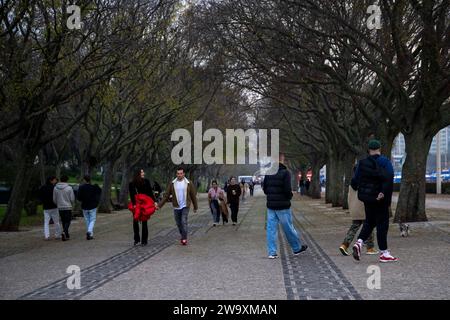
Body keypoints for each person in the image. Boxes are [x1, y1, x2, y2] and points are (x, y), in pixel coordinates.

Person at [351, 140, 398, 263]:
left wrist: (362, 189)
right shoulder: (385, 162)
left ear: (369, 150)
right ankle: (384, 253)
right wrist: (383, 192)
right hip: (381, 199)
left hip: (367, 199)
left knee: (369, 222)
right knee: (382, 224)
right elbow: (390, 177)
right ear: (379, 148)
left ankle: (359, 242)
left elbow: (354, 181)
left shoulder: (362, 163)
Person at [262, 153, 308, 259]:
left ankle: (272, 252)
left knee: (271, 229)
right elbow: (287, 189)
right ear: (282, 159)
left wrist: (271, 196)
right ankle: (296, 248)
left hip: (271, 205)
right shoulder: (285, 173)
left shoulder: (268, 172)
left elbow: (265, 188)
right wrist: (289, 197)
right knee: (288, 227)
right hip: (283, 205)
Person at [339, 167, 377, 255]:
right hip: (365, 208)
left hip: (355, 209)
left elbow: (350, 197)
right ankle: (370, 248)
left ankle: (344, 245)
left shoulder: (352, 183)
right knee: (369, 226)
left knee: (354, 227)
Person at [157, 167, 198, 245]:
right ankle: (182, 235)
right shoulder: (172, 183)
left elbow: (193, 195)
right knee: (178, 223)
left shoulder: (189, 183)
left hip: (185, 205)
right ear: (176, 174)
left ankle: (184, 238)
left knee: (183, 221)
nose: (179, 175)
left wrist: (195, 207)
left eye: (181, 173)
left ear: (184, 174)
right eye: (178, 173)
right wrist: (159, 205)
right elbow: (166, 196)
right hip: (176, 206)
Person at [129, 169, 156, 246]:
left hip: (145, 204)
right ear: (138, 174)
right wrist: (134, 204)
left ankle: (144, 240)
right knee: (135, 221)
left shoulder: (146, 181)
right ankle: (136, 239)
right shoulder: (132, 184)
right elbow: (131, 195)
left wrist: (155, 201)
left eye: (143, 172)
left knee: (144, 221)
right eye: (141, 172)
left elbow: (150, 193)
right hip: (136, 204)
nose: (143, 173)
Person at [77, 175, 102, 240]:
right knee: (93, 219)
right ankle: (89, 232)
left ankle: (90, 234)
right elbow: (99, 191)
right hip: (93, 206)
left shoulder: (81, 187)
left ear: (84, 180)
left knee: (87, 220)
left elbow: (79, 197)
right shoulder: (93, 187)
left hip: (84, 206)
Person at [53, 175, 75, 241]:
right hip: (67, 206)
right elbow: (72, 198)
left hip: (60, 207)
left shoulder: (55, 188)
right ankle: (64, 232)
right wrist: (72, 203)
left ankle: (66, 234)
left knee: (63, 221)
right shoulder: (69, 188)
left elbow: (54, 199)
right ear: (67, 180)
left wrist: (57, 203)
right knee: (68, 221)